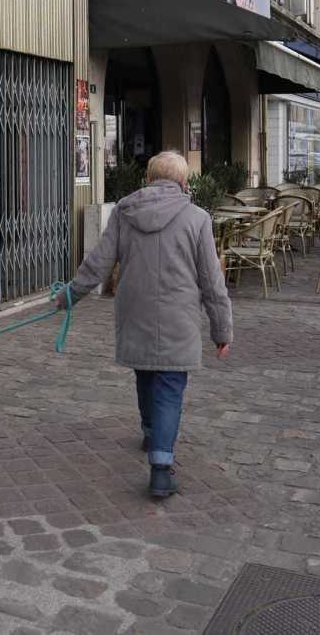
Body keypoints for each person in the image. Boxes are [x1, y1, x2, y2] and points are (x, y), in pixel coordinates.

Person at [59, 151, 232, 498]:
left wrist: (70, 294)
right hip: (179, 316)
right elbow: (212, 280)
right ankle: (161, 468)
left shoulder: (125, 211)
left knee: (146, 373)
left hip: (135, 311)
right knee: (169, 385)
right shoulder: (197, 218)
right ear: (184, 183)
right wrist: (222, 330)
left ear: (149, 179)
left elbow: (99, 261)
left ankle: (151, 432)